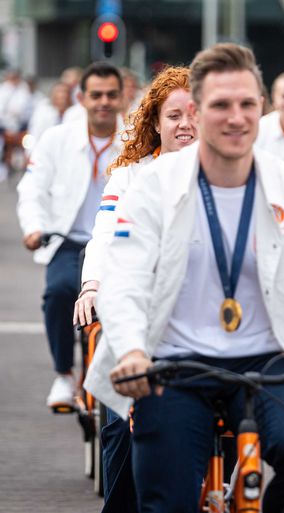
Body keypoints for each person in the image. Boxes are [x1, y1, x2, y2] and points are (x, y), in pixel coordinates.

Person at [84, 43, 284, 513]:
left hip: (273, 356)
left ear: (261, 108)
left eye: (246, 104)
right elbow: (125, 276)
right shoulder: (152, 186)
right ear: (198, 111)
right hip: (174, 360)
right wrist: (134, 350)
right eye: (221, 105)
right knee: (165, 496)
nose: (236, 117)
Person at [76, 65, 197, 513]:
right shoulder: (129, 177)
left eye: (194, 113)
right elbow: (105, 234)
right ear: (155, 122)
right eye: (174, 115)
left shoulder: (231, 174)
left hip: (209, 323)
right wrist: (93, 286)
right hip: (140, 321)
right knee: (121, 419)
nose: (186, 124)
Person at [16, 61, 123, 409]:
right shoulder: (58, 138)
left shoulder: (134, 139)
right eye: (96, 95)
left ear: (122, 98)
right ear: (82, 98)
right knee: (60, 291)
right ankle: (64, 374)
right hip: (68, 240)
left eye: (111, 95)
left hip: (117, 245)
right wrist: (34, 227)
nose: (103, 102)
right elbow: (32, 187)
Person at [26, 81, 73, 156]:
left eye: (65, 92)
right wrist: (29, 153)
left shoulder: (77, 113)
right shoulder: (43, 112)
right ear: (52, 96)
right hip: (44, 154)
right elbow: (33, 133)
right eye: (59, 92)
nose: (62, 95)